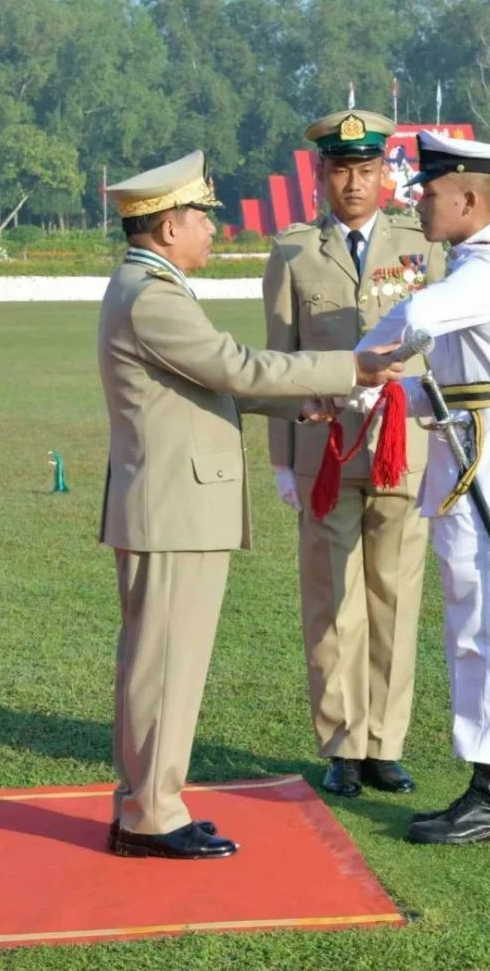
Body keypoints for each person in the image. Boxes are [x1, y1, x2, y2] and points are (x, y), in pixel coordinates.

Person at [97, 150, 403, 860]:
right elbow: (234, 366)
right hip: (174, 508)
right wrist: (346, 367)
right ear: (169, 227)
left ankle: (151, 803)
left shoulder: (148, 287)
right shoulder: (153, 297)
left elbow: (222, 384)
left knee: (161, 663)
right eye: (203, 218)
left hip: (170, 503)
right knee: (165, 665)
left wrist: (313, 400)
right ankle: (150, 815)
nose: (212, 229)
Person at [354, 130, 490, 844]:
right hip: (470, 446)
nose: (417, 202)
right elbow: (444, 384)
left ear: (469, 198)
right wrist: (352, 386)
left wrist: (353, 367)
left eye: (432, 191)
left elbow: (414, 320)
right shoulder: (473, 267)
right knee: (472, 620)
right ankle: (486, 778)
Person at [262, 110, 446, 798]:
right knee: (331, 598)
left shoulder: (420, 244)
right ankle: (342, 742)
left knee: (394, 593)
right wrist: (282, 458)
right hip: (324, 446)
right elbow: (279, 361)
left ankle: (384, 746)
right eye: (340, 170)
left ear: (384, 174)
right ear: (320, 175)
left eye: (366, 170)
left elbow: (441, 346)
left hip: (404, 444)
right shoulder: (294, 253)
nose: (354, 184)